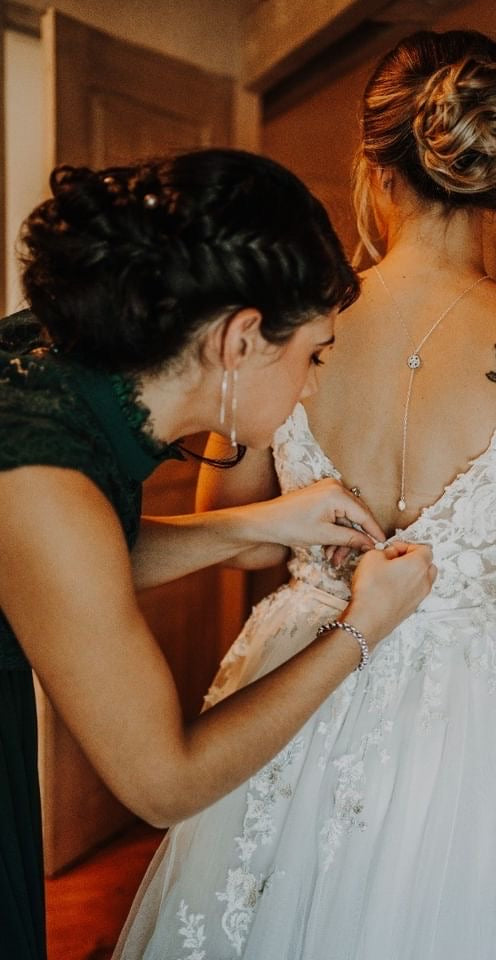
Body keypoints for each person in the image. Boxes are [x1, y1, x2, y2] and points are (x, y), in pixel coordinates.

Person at [114, 31, 496, 960]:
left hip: (296, 674)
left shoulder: (295, 318)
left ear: (374, 167)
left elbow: (234, 533)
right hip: (477, 716)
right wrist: (474, 563)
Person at [0, 148, 435, 960]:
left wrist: (259, 523)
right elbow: (164, 783)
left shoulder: (53, 359)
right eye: (314, 354)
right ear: (240, 339)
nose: (312, 385)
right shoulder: (41, 476)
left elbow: (72, 573)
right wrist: (361, 629)